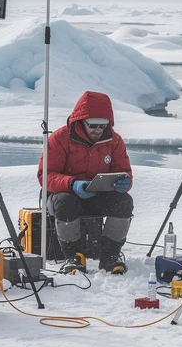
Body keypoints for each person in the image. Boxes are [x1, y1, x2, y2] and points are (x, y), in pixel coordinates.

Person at [38, 91, 133, 274]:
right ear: (81, 121)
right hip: (64, 197)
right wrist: (72, 184)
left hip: (98, 196)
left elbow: (125, 171)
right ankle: (73, 257)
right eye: (93, 125)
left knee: (124, 202)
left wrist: (125, 182)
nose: (98, 129)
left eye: (102, 125)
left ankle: (109, 256)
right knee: (65, 202)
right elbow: (45, 175)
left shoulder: (115, 141)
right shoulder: (59, 138)